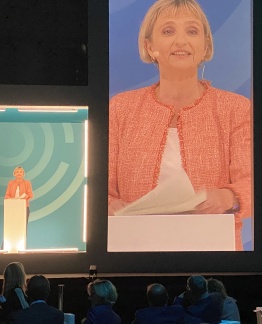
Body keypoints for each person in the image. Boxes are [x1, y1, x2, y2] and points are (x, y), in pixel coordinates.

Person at [107, 0, 253, 250]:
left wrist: (229, 197)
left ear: (205, 46)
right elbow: (99, 185)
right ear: (149, 46)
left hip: (212, 249)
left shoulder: (236, 108)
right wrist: (108, 204)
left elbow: (251, 182)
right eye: (168, 31)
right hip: (134, 247)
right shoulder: (121, 108)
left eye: (192, 31)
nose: (181, 41)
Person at [4, 166, 33, 234]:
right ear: (14, 174)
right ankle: (8, 244)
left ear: (23, 173)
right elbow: (7, 195)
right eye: (17, 172)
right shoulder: (11, 183)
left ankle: (22, 244)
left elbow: (30, 194)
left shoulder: (27, 183)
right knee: (11, 226)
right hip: (13, 207)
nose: (19, 173)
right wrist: (13, 199)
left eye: (20, 172)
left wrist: (26, 196)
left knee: (23, 227)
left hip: (24, 207)